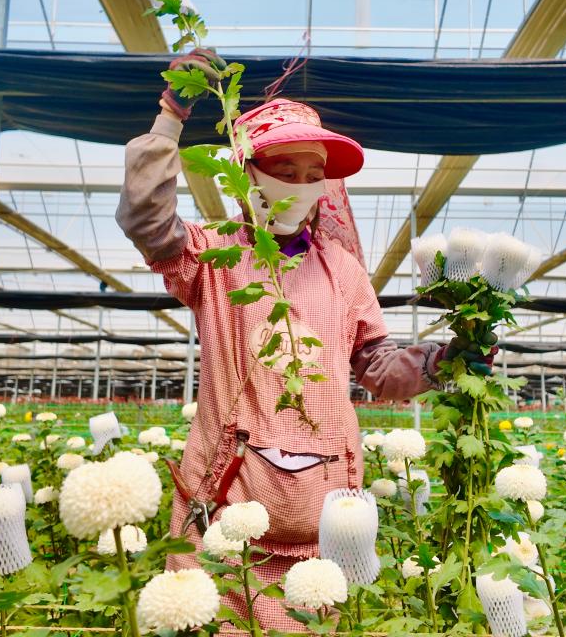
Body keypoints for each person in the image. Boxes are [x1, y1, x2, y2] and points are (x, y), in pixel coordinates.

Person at [115, 50, 477, 632]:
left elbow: (376, 368)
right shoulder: (215, 255)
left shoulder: (343, 271)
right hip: (223, 513)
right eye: (286, 170)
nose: (302, 186)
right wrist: (171, 116)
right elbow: (147, 222)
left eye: (315, 175)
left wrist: (443, 359)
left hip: (323, 524)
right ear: (249, 173)